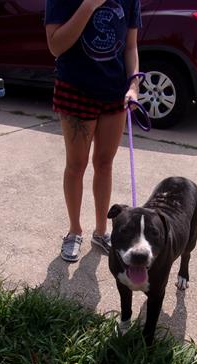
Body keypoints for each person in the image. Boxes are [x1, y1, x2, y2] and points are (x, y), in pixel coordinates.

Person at [45, 0, 142, 262]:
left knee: (104, 163)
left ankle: (101, 231)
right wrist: (88, 5)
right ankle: (74, 231)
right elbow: (55, 46)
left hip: (115, 92)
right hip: (75, 89)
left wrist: (134, 84)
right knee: (76, 165)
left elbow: (131, 47)